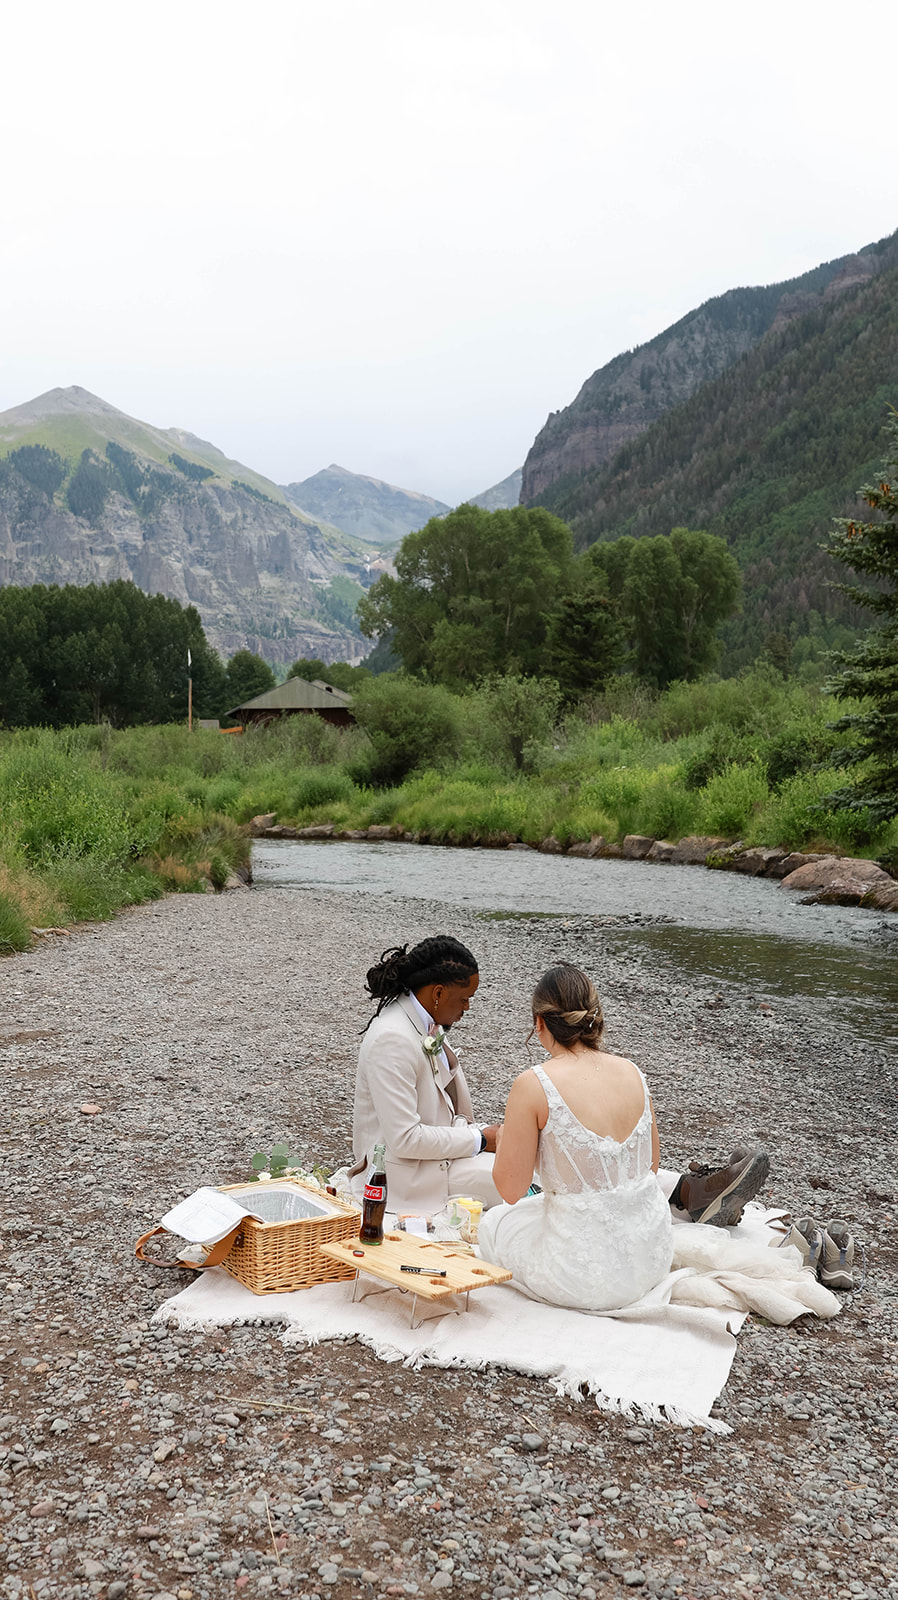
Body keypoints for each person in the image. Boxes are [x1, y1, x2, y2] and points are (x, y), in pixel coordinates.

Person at [477, 963, 708, 1311]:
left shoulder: (533, 1083)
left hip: (580, 1277)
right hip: (650, 1260)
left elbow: (510, 1191)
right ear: (594, 1016)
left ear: (539, 1023)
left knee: (495, 1223)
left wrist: (509, 1137)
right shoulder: (632, 1071)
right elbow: (652, 1166)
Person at [350, 936, 502, 1216]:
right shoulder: (392, 1039)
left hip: (437, 1156)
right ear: (438, 993)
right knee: (517, 1184)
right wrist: (479, 1139)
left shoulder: (422, 1022)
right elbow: (406, 1139)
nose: (467, 1007)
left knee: (522, 1168)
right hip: (407, 1181)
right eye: (465, 998)